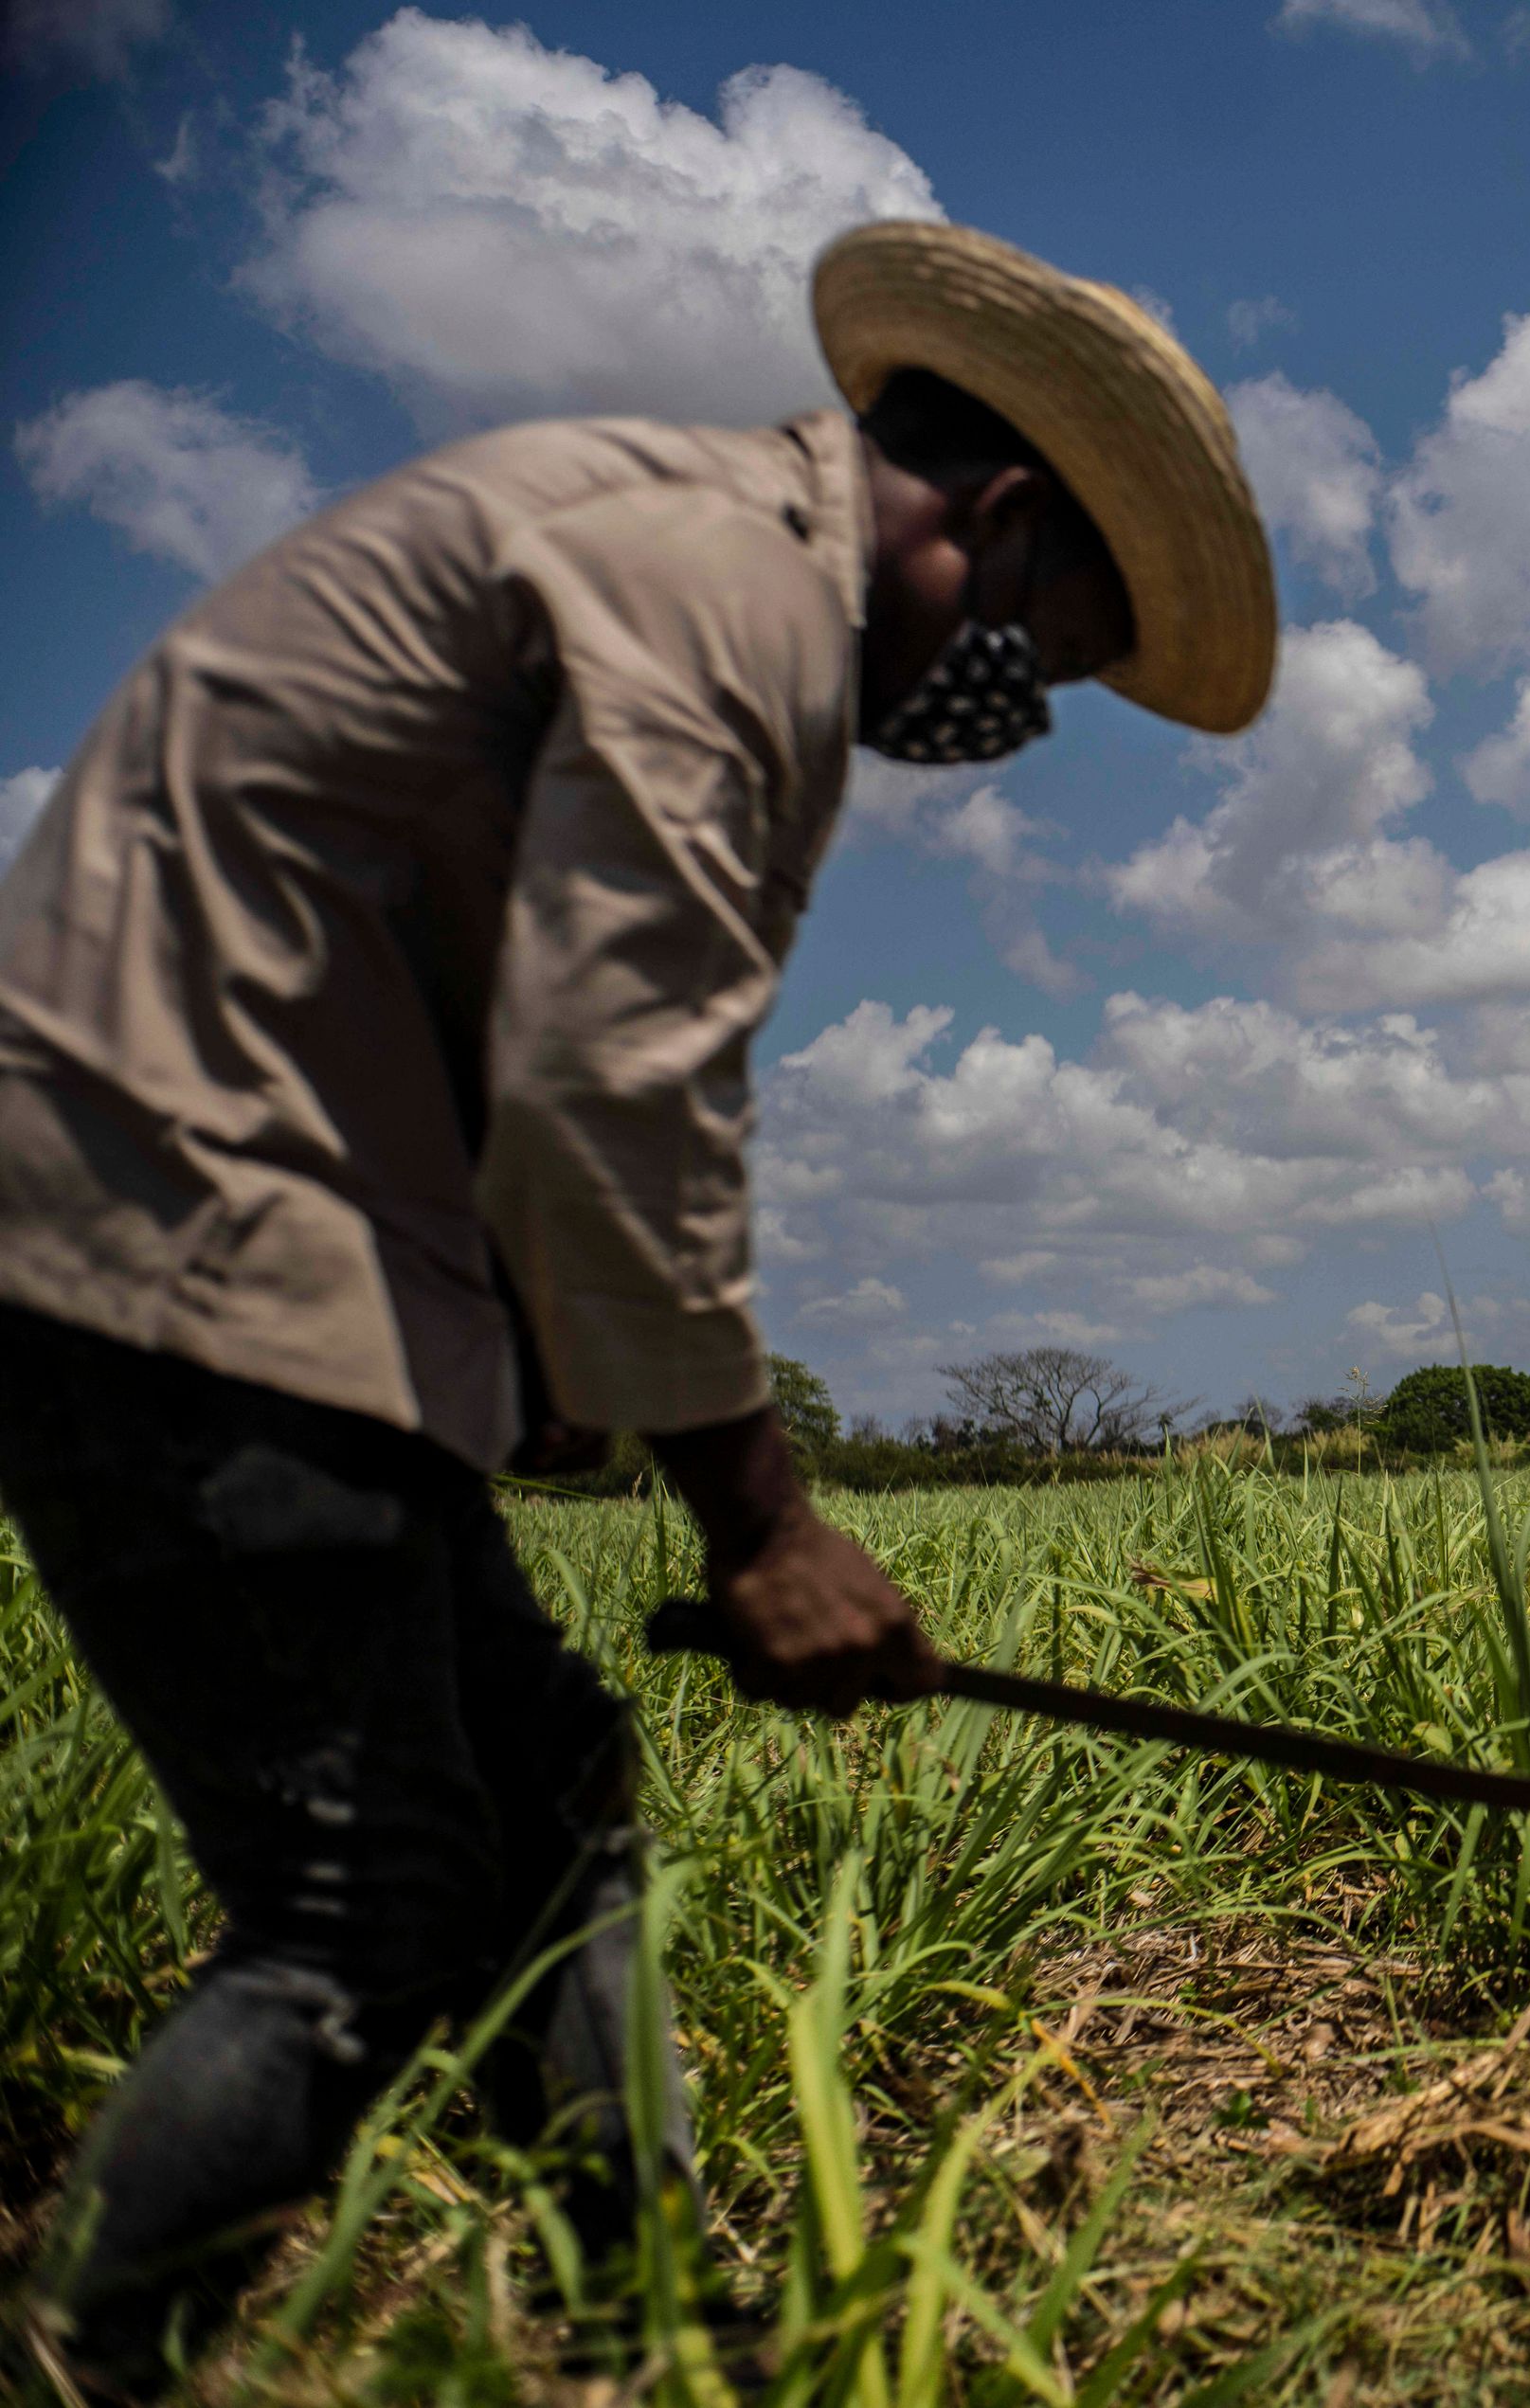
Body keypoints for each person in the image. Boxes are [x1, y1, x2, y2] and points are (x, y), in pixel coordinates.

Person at [0, 220, 1278, 2391]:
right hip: (183, 1258)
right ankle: (72, 2362)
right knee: (363, 1904)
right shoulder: (725, 588)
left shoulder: (655, 540)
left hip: (264, 1246)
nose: (1019, 710)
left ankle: (649, 2311)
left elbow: (471, 993)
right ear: (1003, 518)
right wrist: (763, 1526)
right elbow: (615, 1072)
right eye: (1051, 652)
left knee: (554, 1777)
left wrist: (551, 1351)